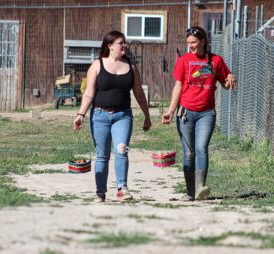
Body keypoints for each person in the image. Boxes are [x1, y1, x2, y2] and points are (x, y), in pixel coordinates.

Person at [73, 31, 151, 202]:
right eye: (120, 43)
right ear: (110, 46)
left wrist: (147, 115)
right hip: (99, 116)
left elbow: (138, 93)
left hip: (123, 116)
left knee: (121, 150)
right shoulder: (97, 65)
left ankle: (122, 188)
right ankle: (100, 192)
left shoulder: (131, 66)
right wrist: (81, 114)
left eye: (125, 43)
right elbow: (88, 93)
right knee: (102, 155)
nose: (124, 45)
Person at [162, 26, 237, 201]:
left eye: (194, 42)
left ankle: (200, 187)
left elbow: (225, 84)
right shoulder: (184, 60)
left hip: (206, 113)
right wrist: (171, 111)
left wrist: (230, 80)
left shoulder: (216, 61)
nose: (191, 46)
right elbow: (178, 86)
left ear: (203, 41)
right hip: (186, 113)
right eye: (188, 43)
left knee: (201, 148)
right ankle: (190, 193)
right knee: (188, 153)